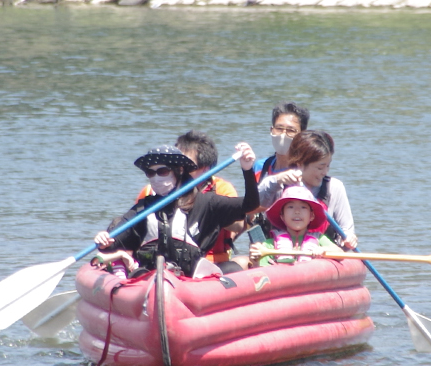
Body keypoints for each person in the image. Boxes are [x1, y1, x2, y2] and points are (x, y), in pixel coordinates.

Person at [96, 141, 259, 277]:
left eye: (162, 171)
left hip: (192, 278)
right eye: (150, 173)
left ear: (179, 171)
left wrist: (247, 170)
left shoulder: (206, 203)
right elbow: (116, 238)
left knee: (232, 270)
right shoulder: (144, 207)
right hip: (151, 277)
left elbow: (250, 205)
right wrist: (105, 239)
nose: (156, 178)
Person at [135, 130, 241, 266]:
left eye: (187, 167)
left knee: (233, 267)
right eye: (175, 167)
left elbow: (239, 225)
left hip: (210, 262)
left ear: (205, 169)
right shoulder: (151, 191)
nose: (180, 172)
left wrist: (207, 211)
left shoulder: (222, 189)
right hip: (162, 261)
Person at [257, 129, 358, 250]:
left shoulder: (334, 187)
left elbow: (346, 229)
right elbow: (254, 204)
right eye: (320, 167)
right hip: (281, 255)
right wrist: (275, 180)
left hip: (321, 255)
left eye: (328, 166)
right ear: (300, 164)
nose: (325, 172)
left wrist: (349, 238)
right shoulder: (281, 185)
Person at [249, 185, 341, 265]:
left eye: (303, 207)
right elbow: (260, 271)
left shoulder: (320, 239)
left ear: (311, 216)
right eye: (290, 207)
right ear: (282, 216)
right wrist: (255, 260)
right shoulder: (269, 245)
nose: (297, 211)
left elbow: (340, 254)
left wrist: (324, 250)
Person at [254, 101, 309, 184]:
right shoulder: (260, 167)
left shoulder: (306, 171)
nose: (283, 135)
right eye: (279, 129)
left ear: (302, 134)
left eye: (291, 130)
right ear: (271, 130)